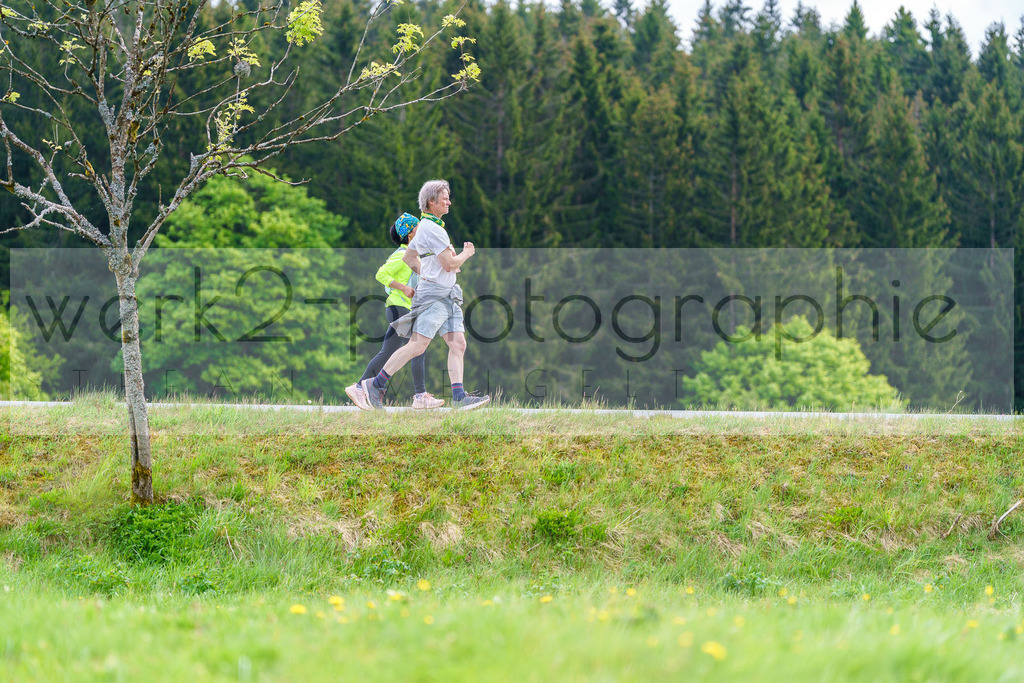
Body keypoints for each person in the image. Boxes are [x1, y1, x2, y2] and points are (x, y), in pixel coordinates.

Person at [358, 179, 490, 411]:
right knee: (417, 345)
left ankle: (459, 397)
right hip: (435, 296)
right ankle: (376, 385)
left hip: (447, 294)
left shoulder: (427, 227)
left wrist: (426, 272)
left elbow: (410, 258)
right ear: (431, 201)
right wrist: (467, 253)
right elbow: (449, 264)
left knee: (458, 344)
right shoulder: (432, 229)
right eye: (445, 198)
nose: (449, 201)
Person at [345, 213, 445, 410]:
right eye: (418, 228)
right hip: (400, 307)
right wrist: (403, 288)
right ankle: (419, 395)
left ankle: (359, 387)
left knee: (391, 351)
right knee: (417, 348)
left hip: (403, 308)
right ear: (410, 234)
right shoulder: (401, 255)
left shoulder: (412, 255)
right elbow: (380, 274)